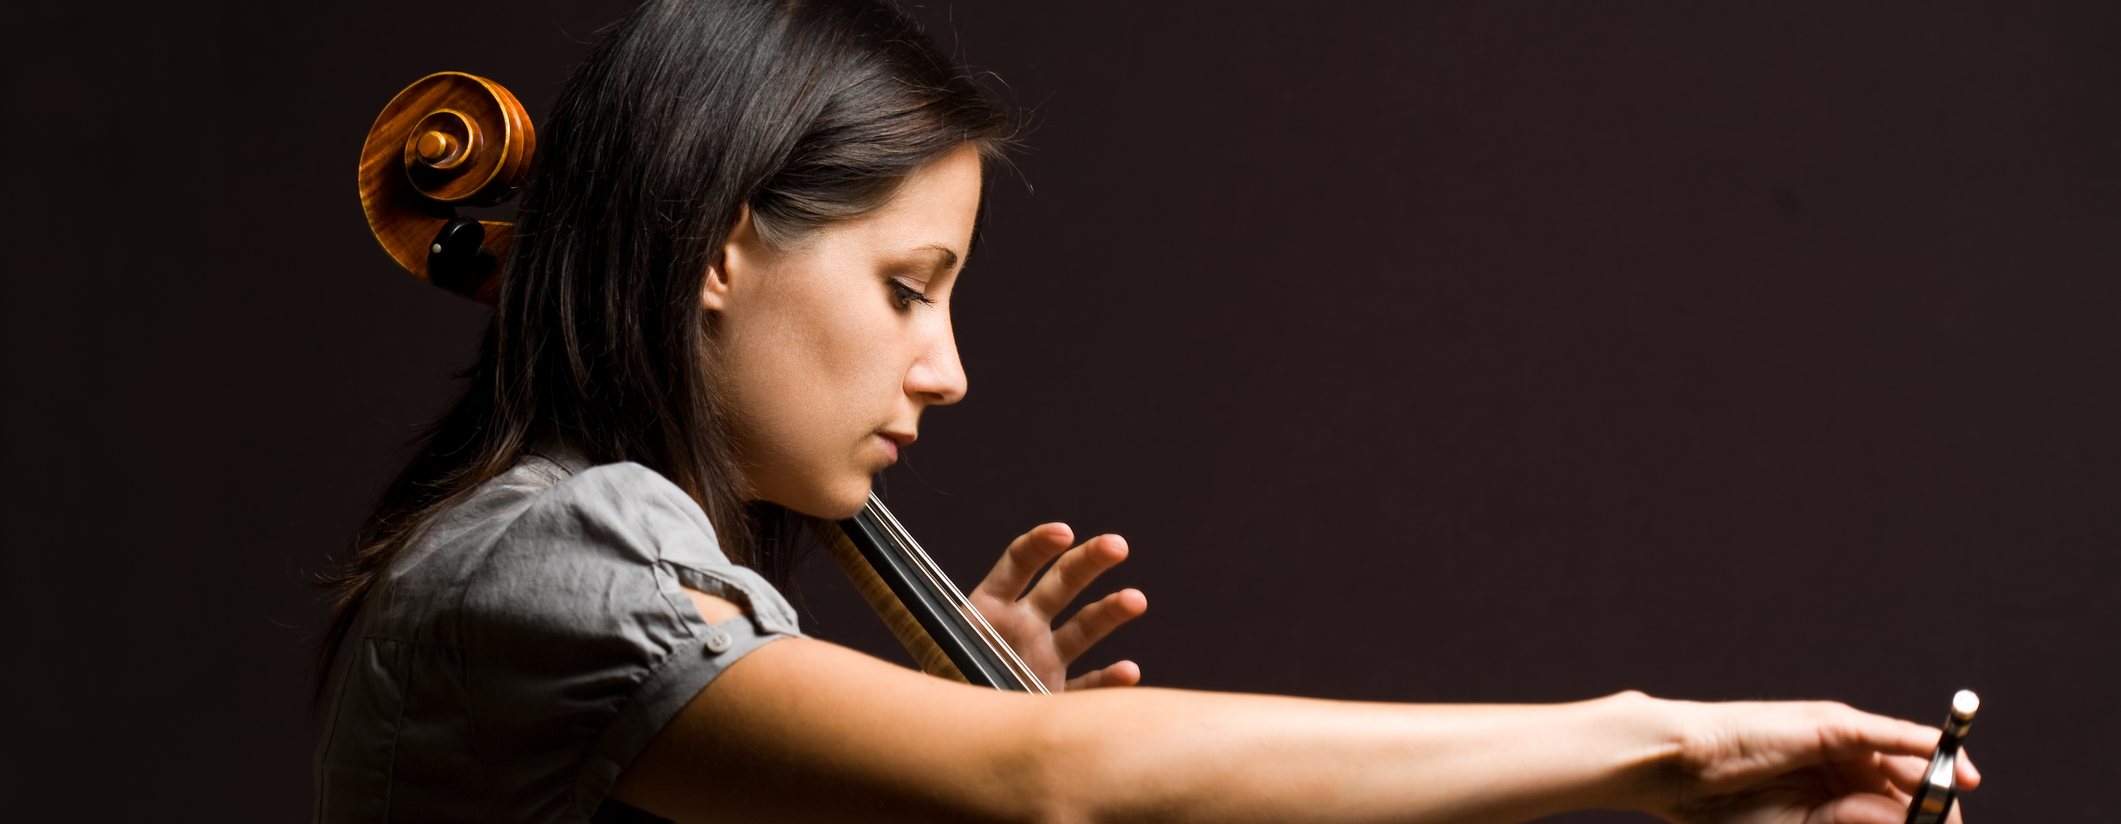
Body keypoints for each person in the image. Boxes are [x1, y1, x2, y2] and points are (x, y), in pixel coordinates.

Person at [314, 1, 1979, 821]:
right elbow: (1060, 779)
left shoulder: (612, 590)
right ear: (716, 246)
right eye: (907, 285)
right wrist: (1666, 746)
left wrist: (926, 748)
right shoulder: (554, 551)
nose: (946, 368)